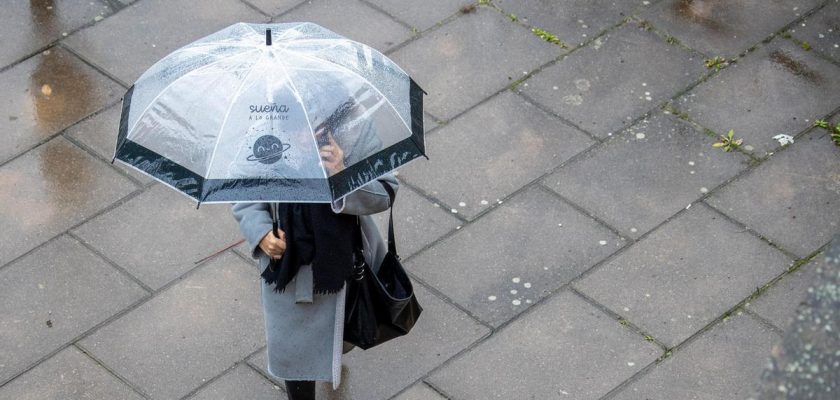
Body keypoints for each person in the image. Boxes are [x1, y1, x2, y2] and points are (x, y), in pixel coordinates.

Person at [231, 117, 398, 399]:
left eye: (315, 128)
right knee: (295, 355)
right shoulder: (264, 132)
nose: (304, 137)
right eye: (296, 128)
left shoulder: (355, 130)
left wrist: (343, 175)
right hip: (290, 272)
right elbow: (243, 192)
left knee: (340, 334)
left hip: (345, 263)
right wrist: (261, 233)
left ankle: (333, 350)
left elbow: (384, 193)